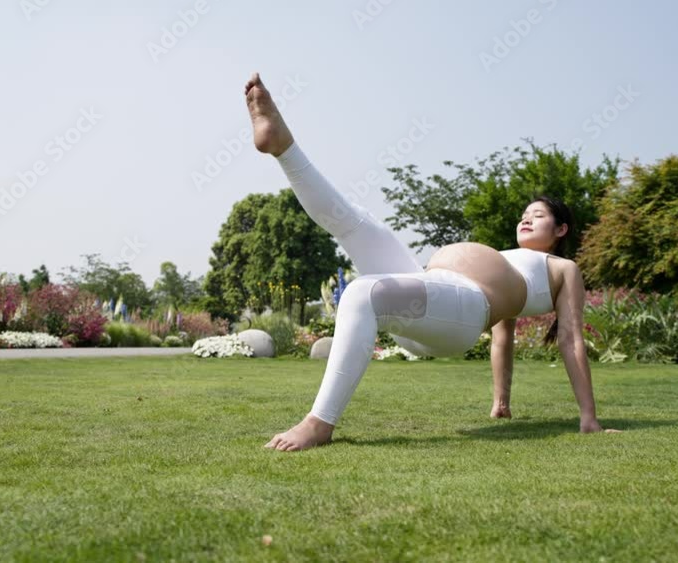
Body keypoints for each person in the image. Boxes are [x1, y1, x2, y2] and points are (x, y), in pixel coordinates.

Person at [244, 72, 620, 452]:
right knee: (354, 222)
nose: (526, 218)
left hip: (462, 313)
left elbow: (571, 338)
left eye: (538, 215)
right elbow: (502, 339)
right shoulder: (512, 261)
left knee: (360, 292)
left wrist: (588, 418)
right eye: (524, 213)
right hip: (428, 293)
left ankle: (318, 423)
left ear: (561, 229)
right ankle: (283, 147)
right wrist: (500, 403)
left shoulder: (561, 269)